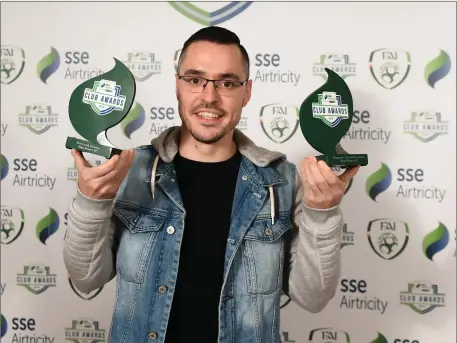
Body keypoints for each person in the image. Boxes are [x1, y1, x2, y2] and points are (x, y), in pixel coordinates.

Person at [63, 26, 359, 343]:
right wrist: (92, 203)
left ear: (247, 92)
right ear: (177, 86)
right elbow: (86, 279)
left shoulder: (282, 181)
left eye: (227, 83)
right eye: (194, 80)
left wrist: (322, 213)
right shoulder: (128, 170)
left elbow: (312, 298)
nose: (209, 97)